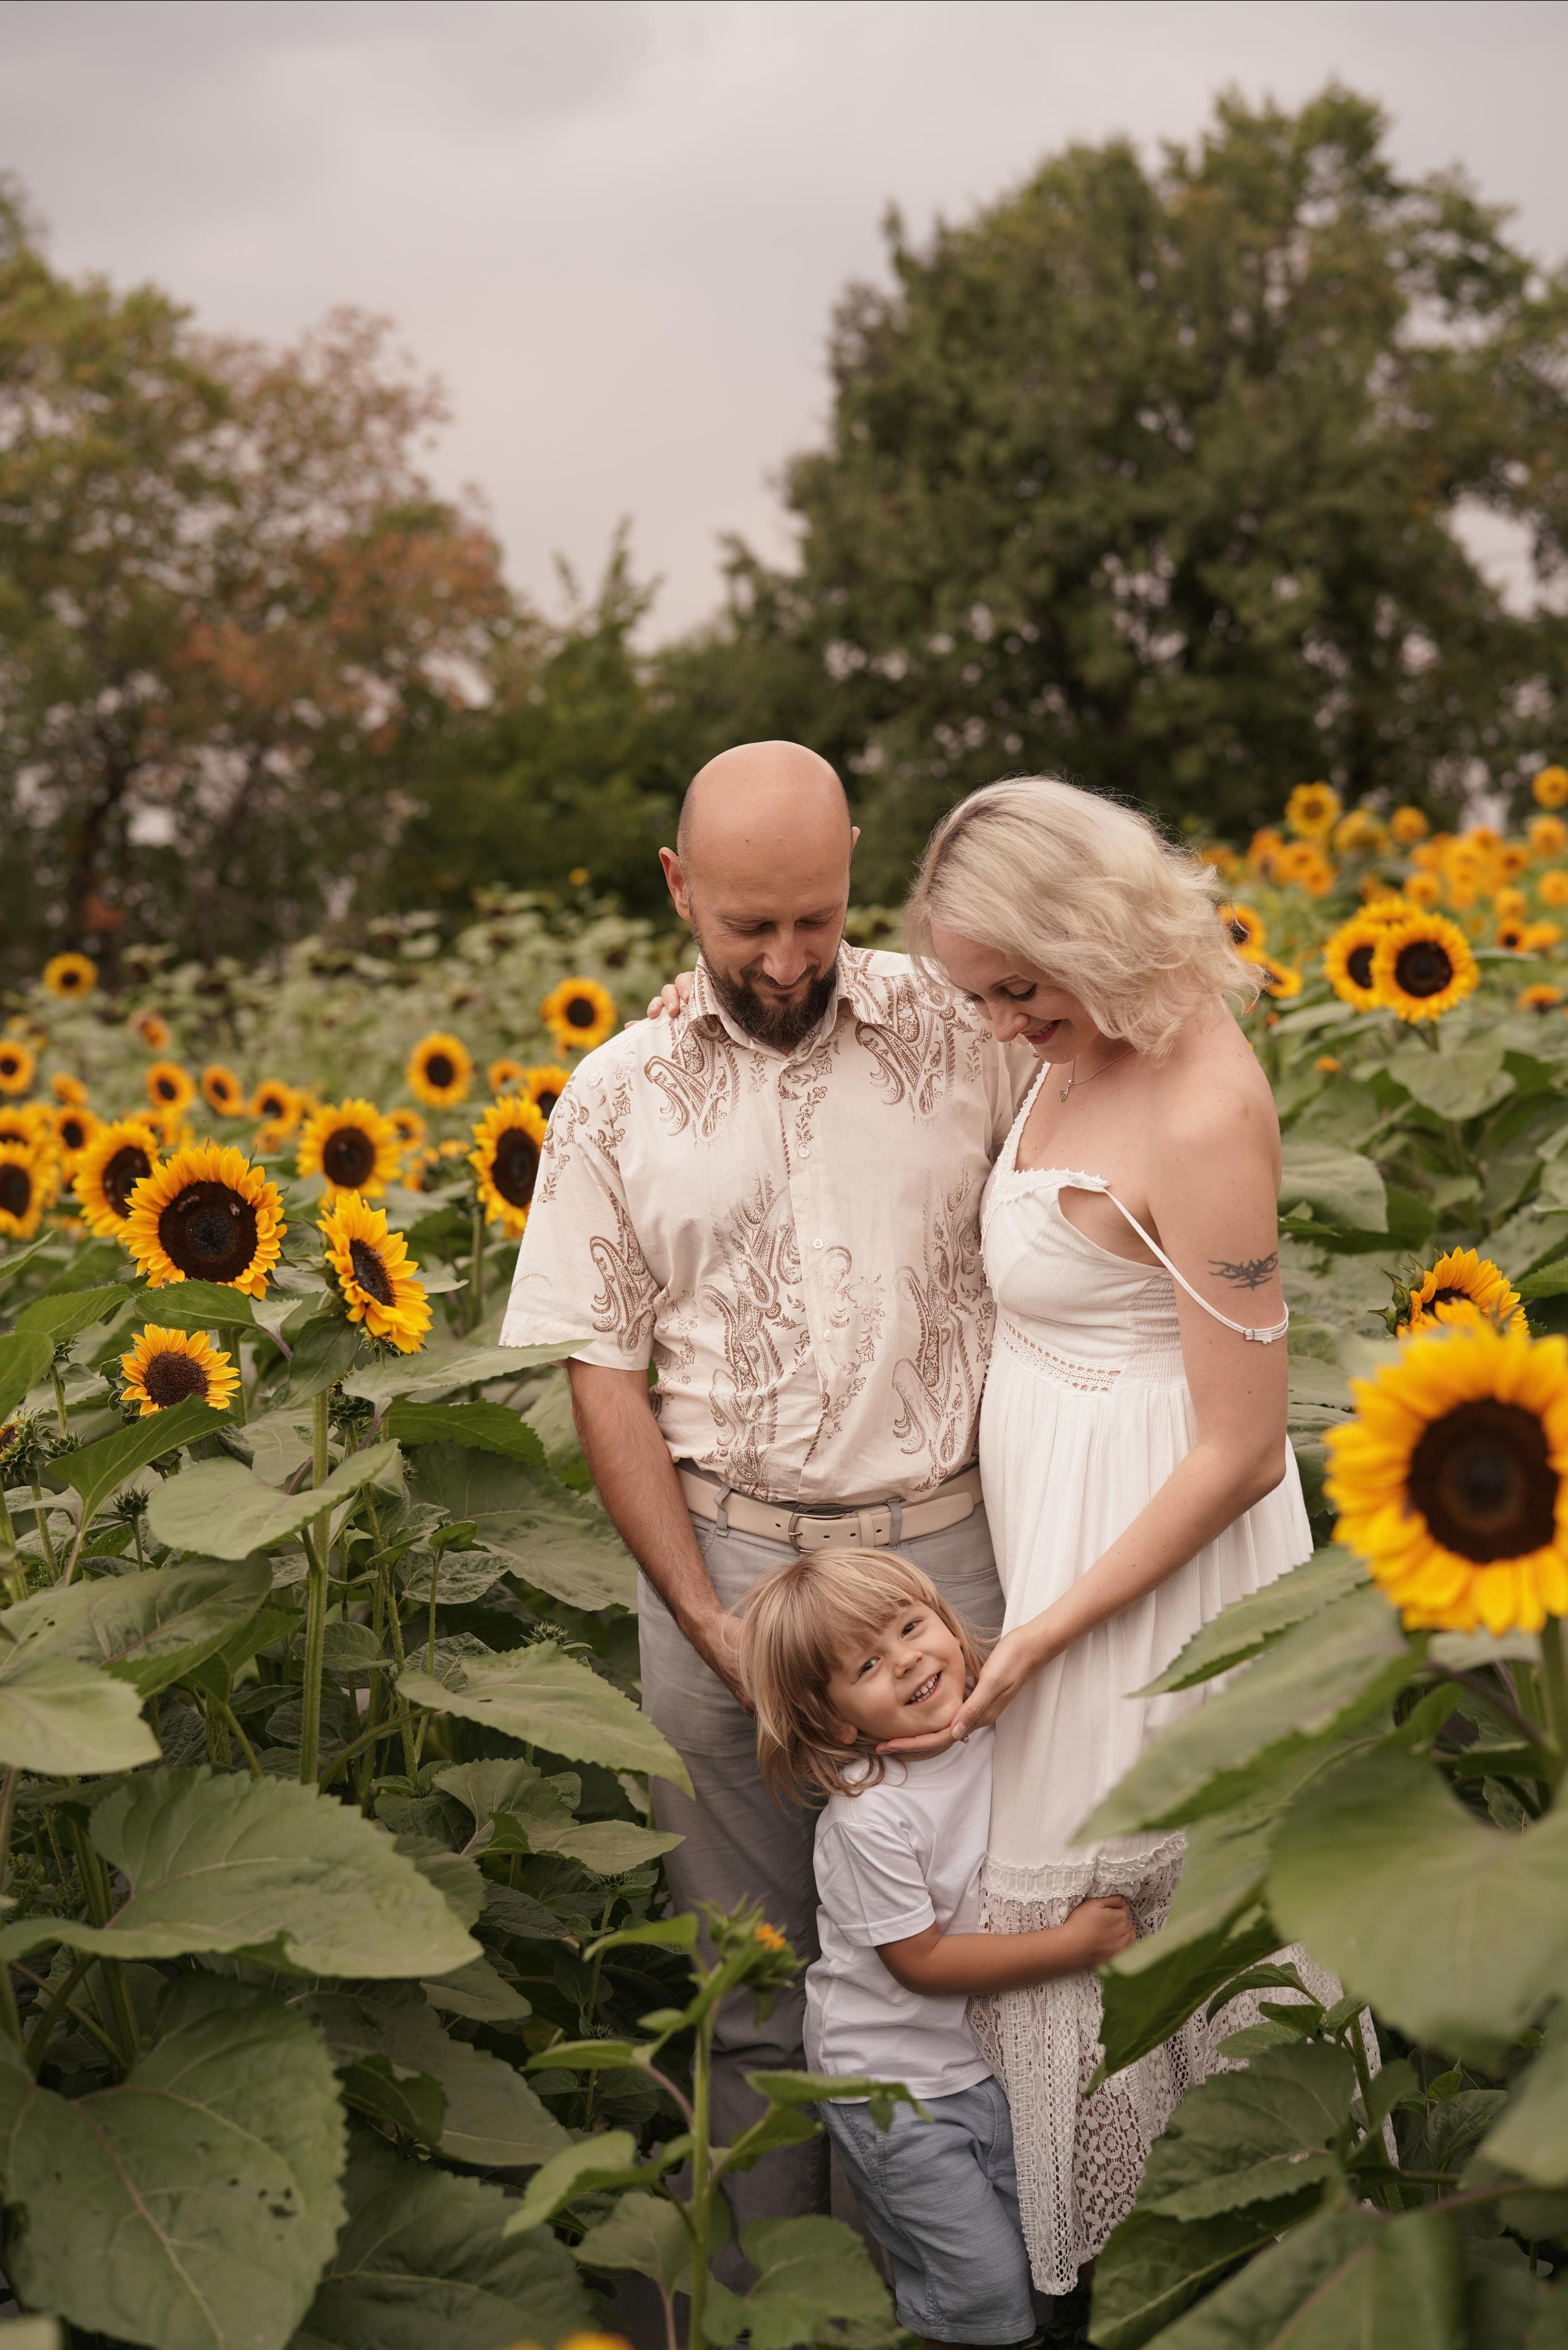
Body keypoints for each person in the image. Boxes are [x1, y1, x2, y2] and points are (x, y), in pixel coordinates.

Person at [499, 740, 1033, 2237]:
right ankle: (779, 2306)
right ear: (677, 889)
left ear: (855, 865)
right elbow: (601, 1367)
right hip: (728, 1559)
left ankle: (974, 2300)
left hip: (947, 1572)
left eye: (815, 915)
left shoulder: (961, 1026)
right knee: (749, 1976)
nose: (788, 960)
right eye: (747, 927)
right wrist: (698, 1608)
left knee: (968, 1954)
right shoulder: (616, 1094)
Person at [883, 774, 1335, 2295]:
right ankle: (1106, 2282)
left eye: (1019, 987)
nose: (1002, 1024)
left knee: (1135, 1905)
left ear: (1098, 934)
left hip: (1153, 1575)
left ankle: (1214, 2274)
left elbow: (1239, 1442)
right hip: (1051, 1549)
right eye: (979, 992)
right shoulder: (1067, 1045)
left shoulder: (1204, 1103)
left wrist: (1048, 1625)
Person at [740, 1546, 1134, 2350]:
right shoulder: (871, 1817)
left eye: (913, 1625)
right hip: (895, 2087)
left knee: (1027, 2263)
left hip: (986, 2063)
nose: (911, 1657)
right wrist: (1072, 1945)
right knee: (978, 2286)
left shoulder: (999, 1732)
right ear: (836, 1719)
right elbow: (919, 1962)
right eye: (870, 1661)